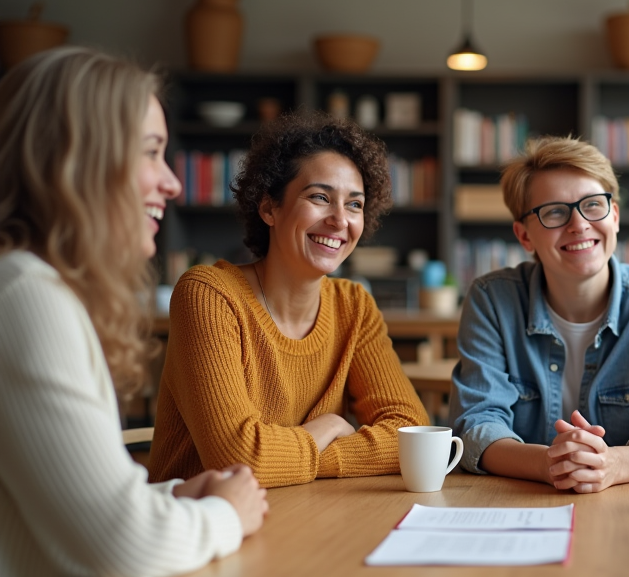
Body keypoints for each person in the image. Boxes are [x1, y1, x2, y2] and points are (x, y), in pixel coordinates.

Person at [0, 47, 268, 577]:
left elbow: (62, 500)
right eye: (151, 151)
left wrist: (173, 497)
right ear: (75, 157)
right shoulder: (26, 297)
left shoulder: (32, 288)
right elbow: (118, 543)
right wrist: (227, 516)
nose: (173, 181)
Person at [147, 112, 429, 489]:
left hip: (302, 517)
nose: (339, 220)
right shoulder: (209, 294)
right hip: (202, 529)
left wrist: (292, 456)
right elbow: (239, 459)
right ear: (269, 208)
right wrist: (327, 428)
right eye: (319, 197)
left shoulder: (354, 306)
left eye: (355, 205)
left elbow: (414, 434)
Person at [450, 137, 629, 492]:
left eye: (592, 205)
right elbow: (477, 422)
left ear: (614, 216)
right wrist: (549, 464)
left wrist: (611, 465)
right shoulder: (491, 299)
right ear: (524, 236)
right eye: (555, 211)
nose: (579, 224)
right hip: (519, 500)